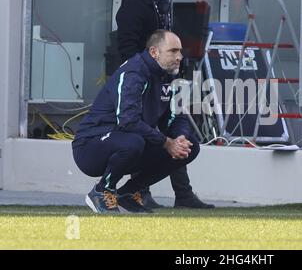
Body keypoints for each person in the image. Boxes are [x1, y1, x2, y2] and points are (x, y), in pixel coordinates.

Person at [115, 0, 213, 209]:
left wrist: (176, 62)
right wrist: (143, 72)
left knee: (174, 128)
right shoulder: (135, 3)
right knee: (144, 131)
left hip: (161, 78)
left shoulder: (160, 1)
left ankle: (183, 194)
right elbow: (126, 47)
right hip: (143, 79)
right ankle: (138, 192)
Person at [72, 30, 204, 213]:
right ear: (154, 52)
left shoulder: (170, 74)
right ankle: (102, 191)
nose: (179, 57)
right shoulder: (134, 72)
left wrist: (179, 137)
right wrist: (166, 142)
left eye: (180, 51)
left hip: (129, 139)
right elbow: (128, 121)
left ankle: (128, 192)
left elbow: (177, 115)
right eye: (173, 51)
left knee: (190, 147)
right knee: (133, 142)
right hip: (90, 145)